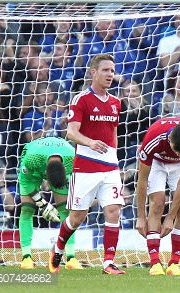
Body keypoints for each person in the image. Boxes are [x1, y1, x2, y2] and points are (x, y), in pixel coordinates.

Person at [48, 54, 125, 275]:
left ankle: (108, 263)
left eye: (112, 70)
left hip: (110, 166)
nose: (110, 74)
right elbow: (71, 133)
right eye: (105, 70)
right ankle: (59, 248)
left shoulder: (115, 103)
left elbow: (113, 133)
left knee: (113, 210)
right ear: (93, 72)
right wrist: (91, 142)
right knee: (77, 218)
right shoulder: (80, 100)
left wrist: (114, 156)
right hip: (86, 167)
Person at [135, 117, 180, 276]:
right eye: (176, 149)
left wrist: (170, 218)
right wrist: (140, 216)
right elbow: (142, 180)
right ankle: (155, 263)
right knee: (158, 203)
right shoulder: (153, 138)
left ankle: (174, 264)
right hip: (157, 162)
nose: (178, 153)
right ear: (170, 138)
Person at [18, 137, 82, 270]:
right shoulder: (31, 159)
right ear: (46, 173)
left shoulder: (72, 158)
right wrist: (41, 203)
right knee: (27, 209)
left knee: (65, 211)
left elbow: (77, 179)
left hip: (63, 169)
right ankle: (26, 258)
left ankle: (71, 258)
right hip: (33, 170)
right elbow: (25, 181)